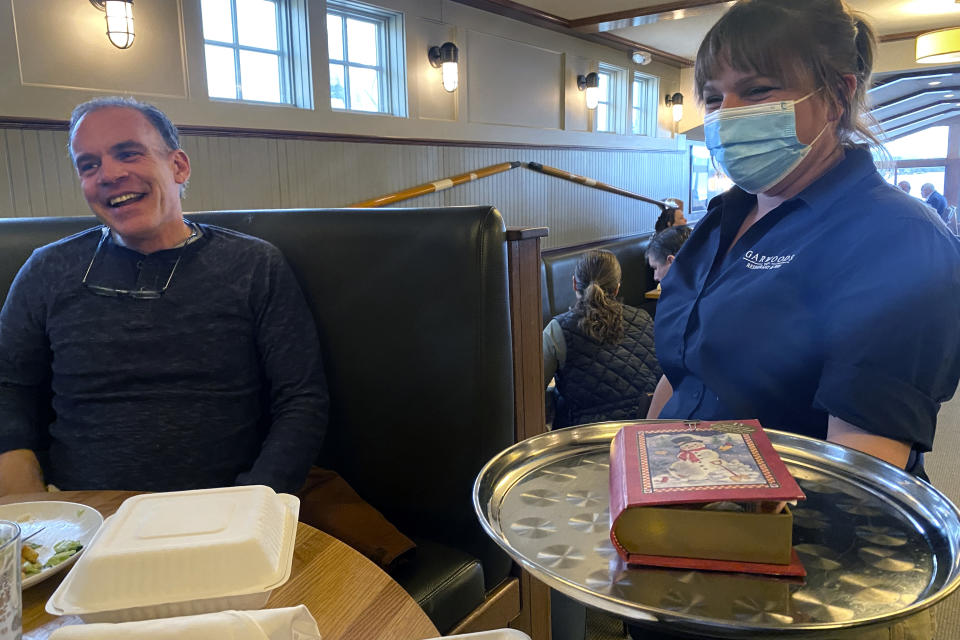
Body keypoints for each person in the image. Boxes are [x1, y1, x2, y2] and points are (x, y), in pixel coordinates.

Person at [649, 0, 960, 477]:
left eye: (757, 91)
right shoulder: (719, 220)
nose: (727, 115)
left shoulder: (897, 240)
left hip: (791, 533)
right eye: (714, 98)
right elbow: (683, 377)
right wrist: (639, 478)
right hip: (686, 509)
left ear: (837, 95)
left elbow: (857, 476)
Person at [0, 97, 330, 496]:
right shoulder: (47, 269)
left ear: (178, 166)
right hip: (82, 513)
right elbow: (8, 384)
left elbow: (301, 399)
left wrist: (256, 500)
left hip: (221, 507)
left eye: (128, 153)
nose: (109, 174)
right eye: (89, 165)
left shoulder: (254, 264)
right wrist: (29, 499)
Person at [542, 250, 661, 428]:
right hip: (640, 433)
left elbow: (531, 390)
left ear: (575, 284)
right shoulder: (644, 319)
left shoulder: (557, 329)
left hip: (583, 438)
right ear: (617, 287)